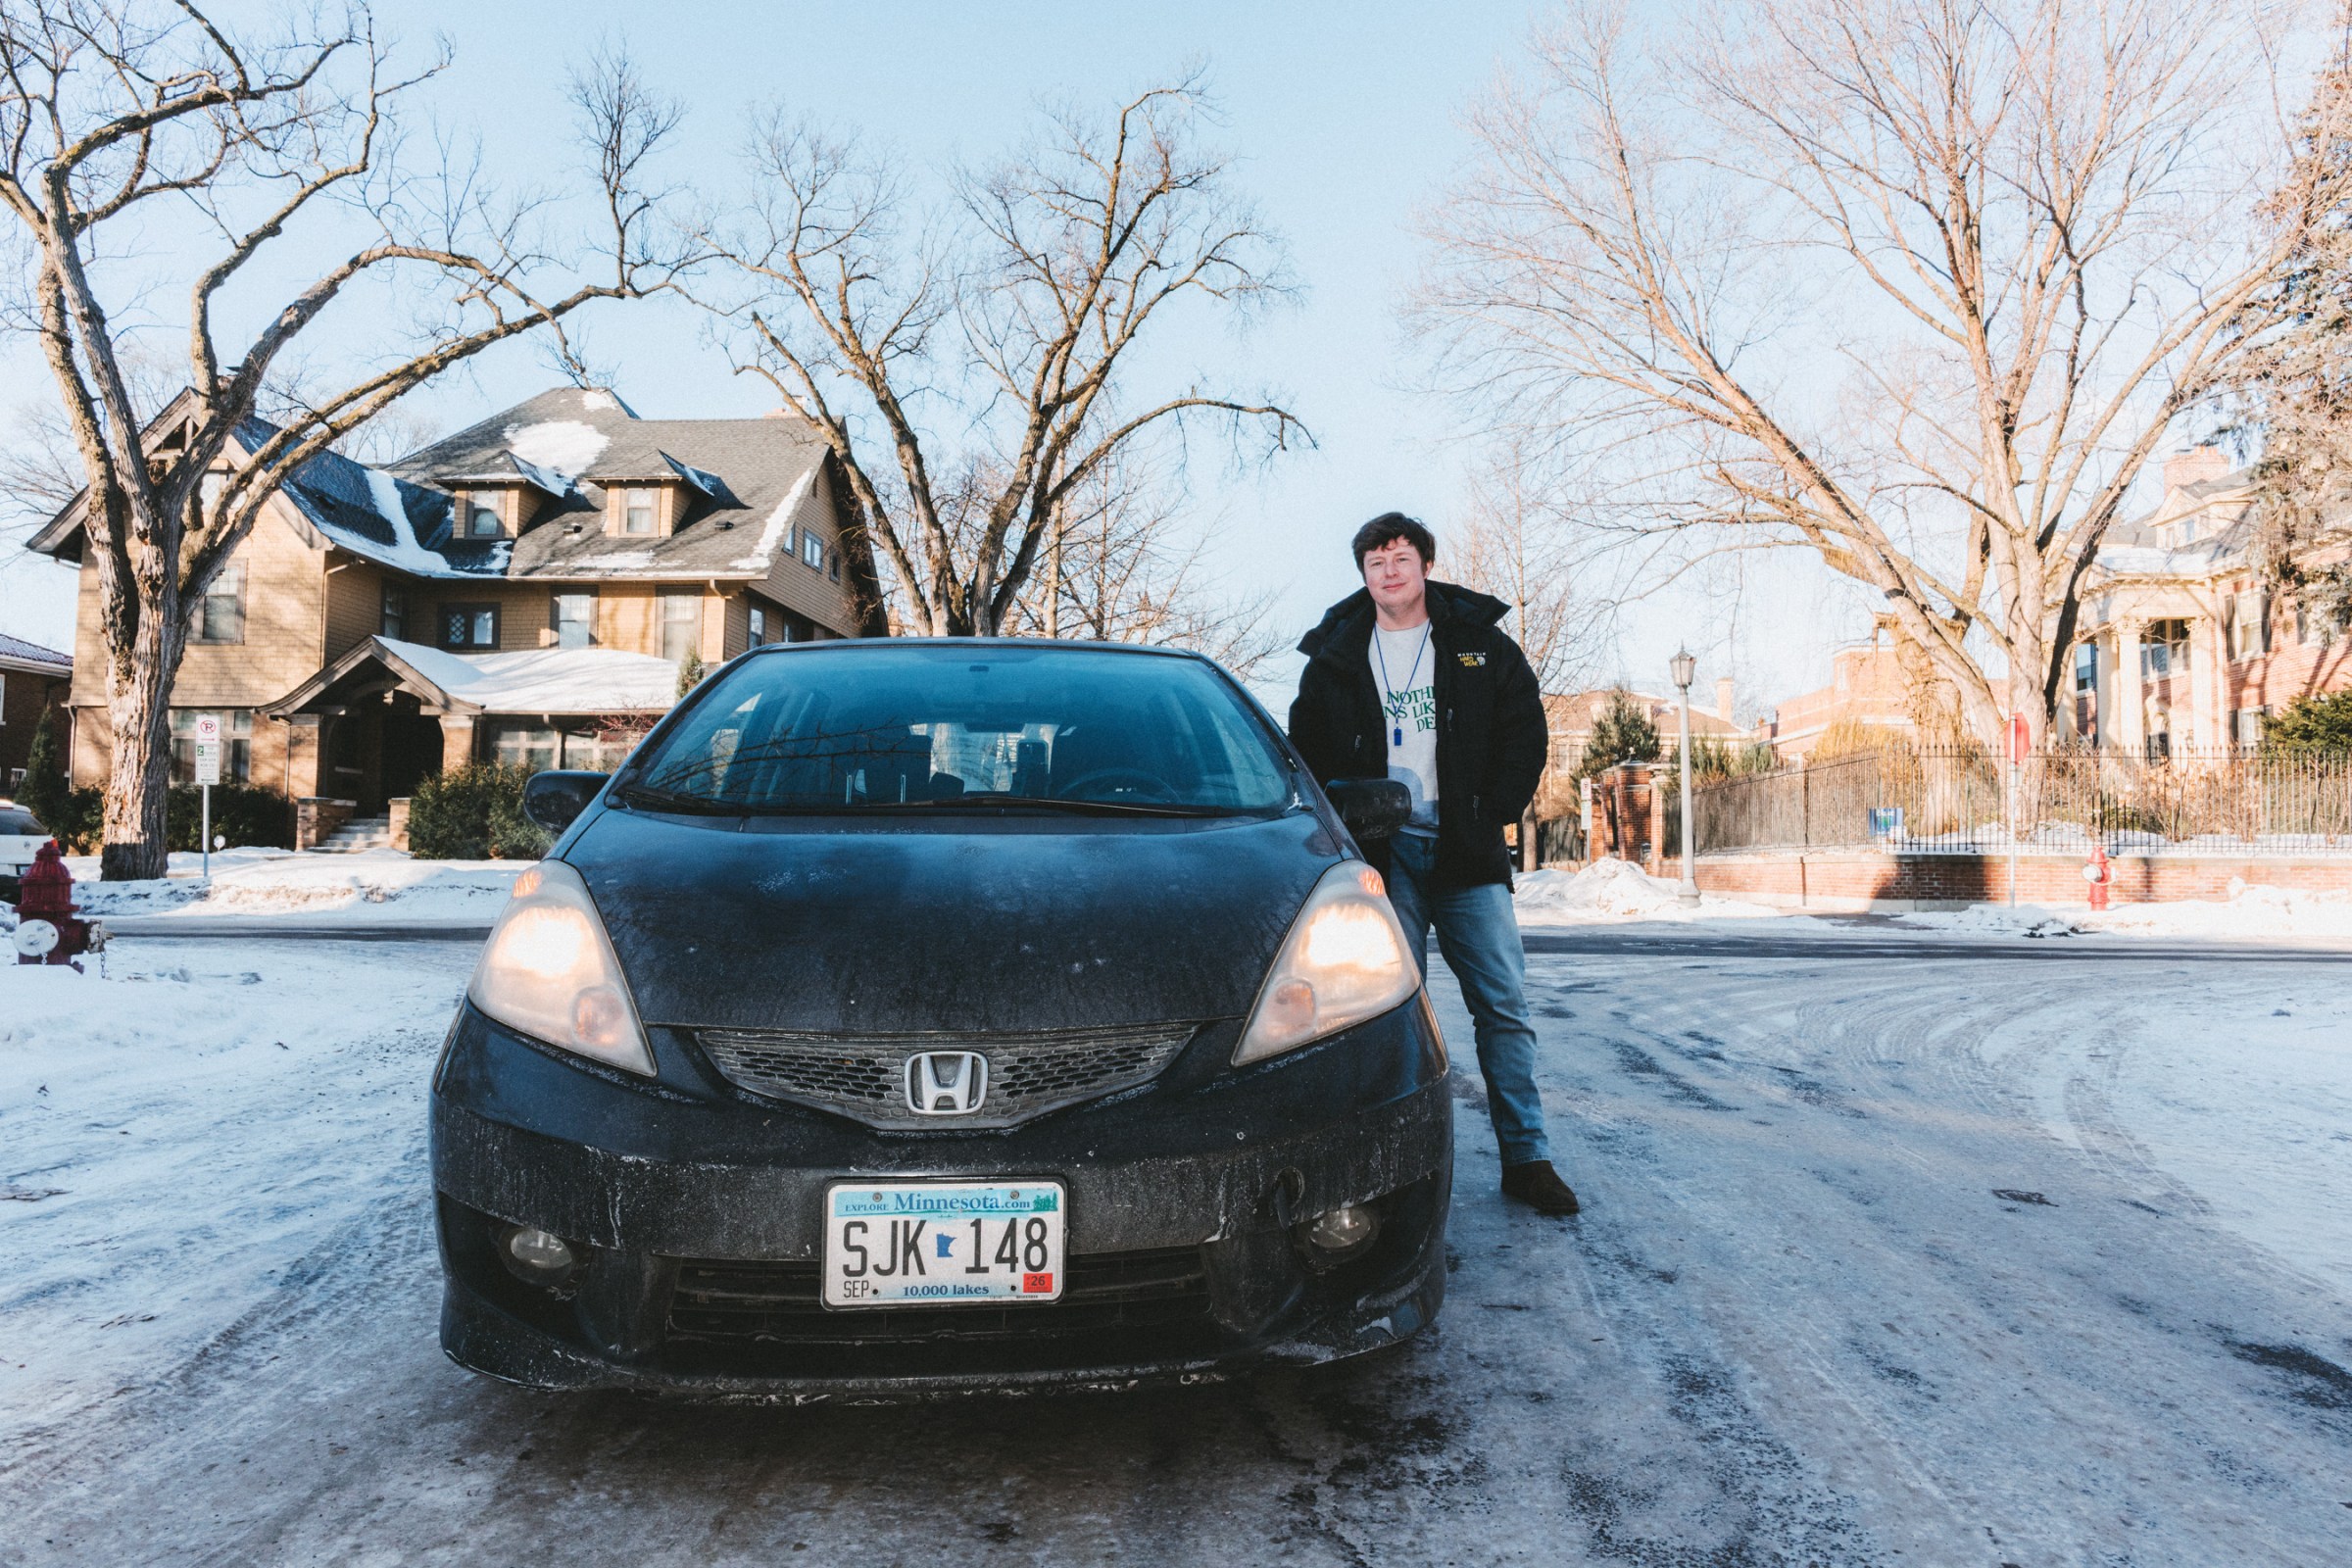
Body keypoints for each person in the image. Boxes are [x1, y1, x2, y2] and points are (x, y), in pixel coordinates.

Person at [1288, 513, 1579, 1215]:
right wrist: (1345, 828)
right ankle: (1385, 1171)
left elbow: (1524, 731)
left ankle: (1527, 1156)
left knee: (1502, 1006)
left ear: (1424, 565)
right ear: (1363, 574)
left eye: (1401, 557)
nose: (1389, 571)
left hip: (1464, 851)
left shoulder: (1478, 645)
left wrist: (1490, 811)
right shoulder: (1334, 656)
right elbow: (1309, 750)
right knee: (1377, 1012)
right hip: (1380, 860)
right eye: (1375, 562)